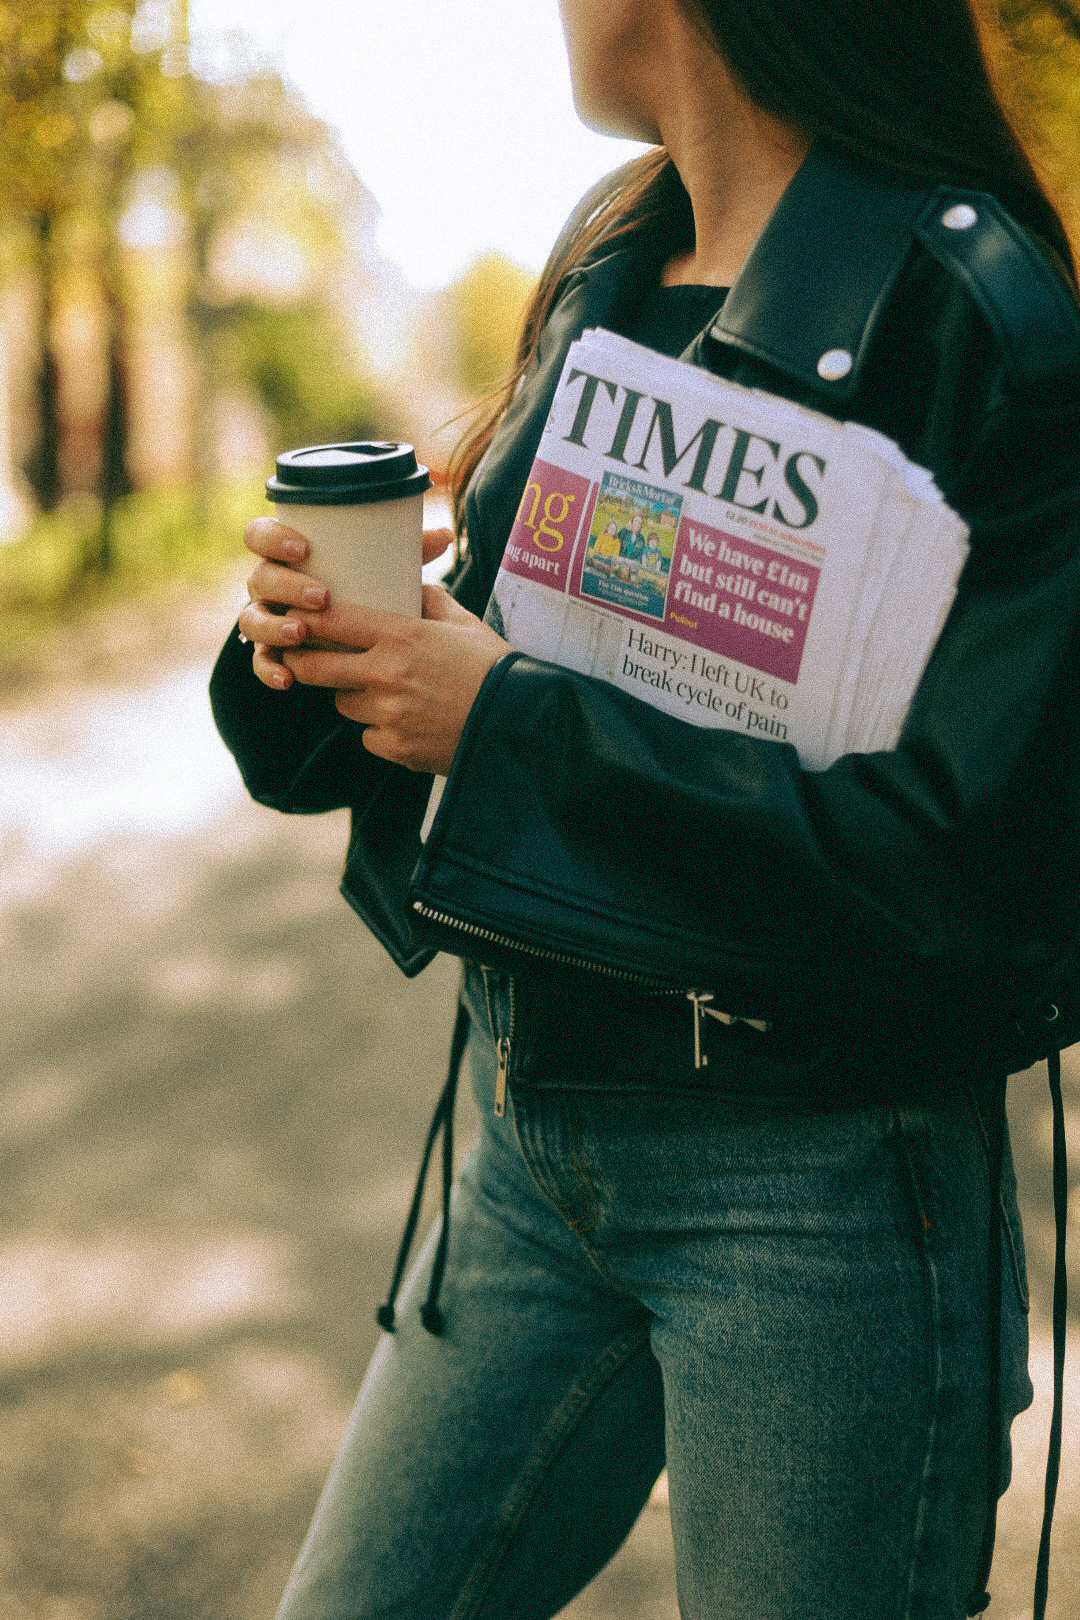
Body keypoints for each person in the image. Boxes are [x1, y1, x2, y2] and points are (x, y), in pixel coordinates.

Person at [209, 2, 1080, 1617]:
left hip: (813, 1191)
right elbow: (506, 653)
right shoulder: (619, 251)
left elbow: (972, 882)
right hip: (530, 1149)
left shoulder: (982, 312)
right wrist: (323, 656)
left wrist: (510, 729)